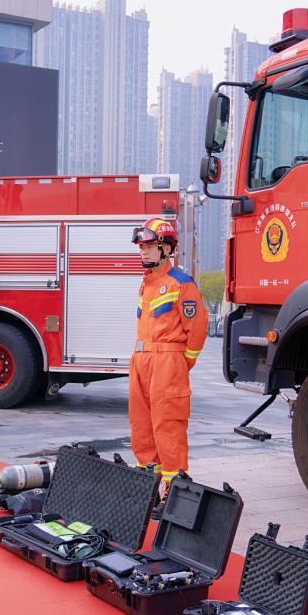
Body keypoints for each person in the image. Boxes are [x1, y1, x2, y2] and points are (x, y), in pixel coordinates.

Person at [128, 217, 208, 516]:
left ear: (166, 248)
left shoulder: (182, 284)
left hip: (166, 363)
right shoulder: (146, 285)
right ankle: (148, 487)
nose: (142, 252)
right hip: (141, 361)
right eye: (141, 247)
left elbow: (196, 331)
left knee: (168, 429)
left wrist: (178, 365)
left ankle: (173, 494)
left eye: (148, 246)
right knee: (142, 428)